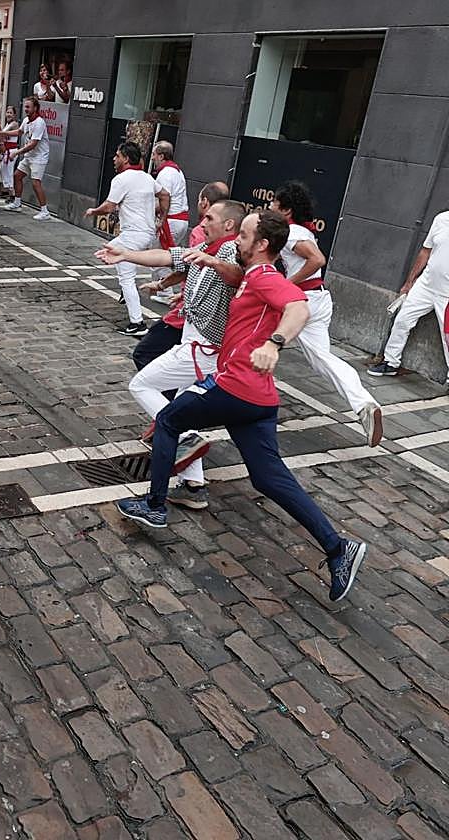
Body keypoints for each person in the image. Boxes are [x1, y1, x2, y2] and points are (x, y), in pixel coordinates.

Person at [116, 209, 368, 604]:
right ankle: (338, 549)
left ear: (261, 244)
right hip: (260, 398)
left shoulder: (267, 276)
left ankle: (155, 505)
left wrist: (275, 344)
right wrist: (209, 264)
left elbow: (298, 307)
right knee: (268, 478)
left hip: (238, 388)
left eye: (245, 234)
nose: (238, 240)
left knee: (167, 420)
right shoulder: (250, 273)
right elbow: (233, 275)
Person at [98, 199, 247, 508]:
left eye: (209, 218)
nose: (202, 223)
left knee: (141, 384)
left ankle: (183, 443)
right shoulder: (204, 248)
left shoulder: (230, 250)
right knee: (181, 409)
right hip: (198, 346)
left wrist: (212, 262)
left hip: (203, 349)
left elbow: (237, 275)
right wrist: (126, 254)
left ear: (229, 225)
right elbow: (166, 256)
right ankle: (193, 487)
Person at [267, 181, 384, 446]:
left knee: (263, 339)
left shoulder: (293, 232)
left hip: (305, 300)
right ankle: (364, 403)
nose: (270, 205)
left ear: (286, 210)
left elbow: (317, 260)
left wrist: (288, 283)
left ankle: (244, 393)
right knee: (322, 360)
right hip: (318, 299)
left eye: (274, 202)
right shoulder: (300, 231)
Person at [135, 181, 231, 362]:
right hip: (196, 314)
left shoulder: (206, 236)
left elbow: (189, 266)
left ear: (204, 202)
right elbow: (178, 260)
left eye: (209, 220)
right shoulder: (211, 242)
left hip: (197, 320)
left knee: (146, 356)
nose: (204, 225)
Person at [85, 142, 159, 336]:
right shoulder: (147, 177)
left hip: (134, 234)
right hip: (145, 233)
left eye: (117, 155)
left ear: (126, 158)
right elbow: (165, 194)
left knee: (126, 277)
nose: (114, 158)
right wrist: (162, 215)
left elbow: (109, 206)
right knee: (110, 248)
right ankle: (125, 295)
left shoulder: (121, 179)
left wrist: (93, 211)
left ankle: (137, 323)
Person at [370, 210, 449, 383]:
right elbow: (425, 251)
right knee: (402, 320)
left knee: (448, 337)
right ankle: (391, 362)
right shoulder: (441, 219)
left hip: (447, 294)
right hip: (426, 285)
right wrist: (409, 282)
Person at [3, 97, 52, 221]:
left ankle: (45, 211)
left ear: (35, 108)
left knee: (36, 183)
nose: (26, 109)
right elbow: (19, 132)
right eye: (25, 107)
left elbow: (33, 144)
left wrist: (17, 152)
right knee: (17, 176)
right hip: (29, 156)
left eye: (28, 107)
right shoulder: (26, 120)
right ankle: (17, 203)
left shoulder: (40, 122)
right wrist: (3, 133)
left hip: (39, 157)